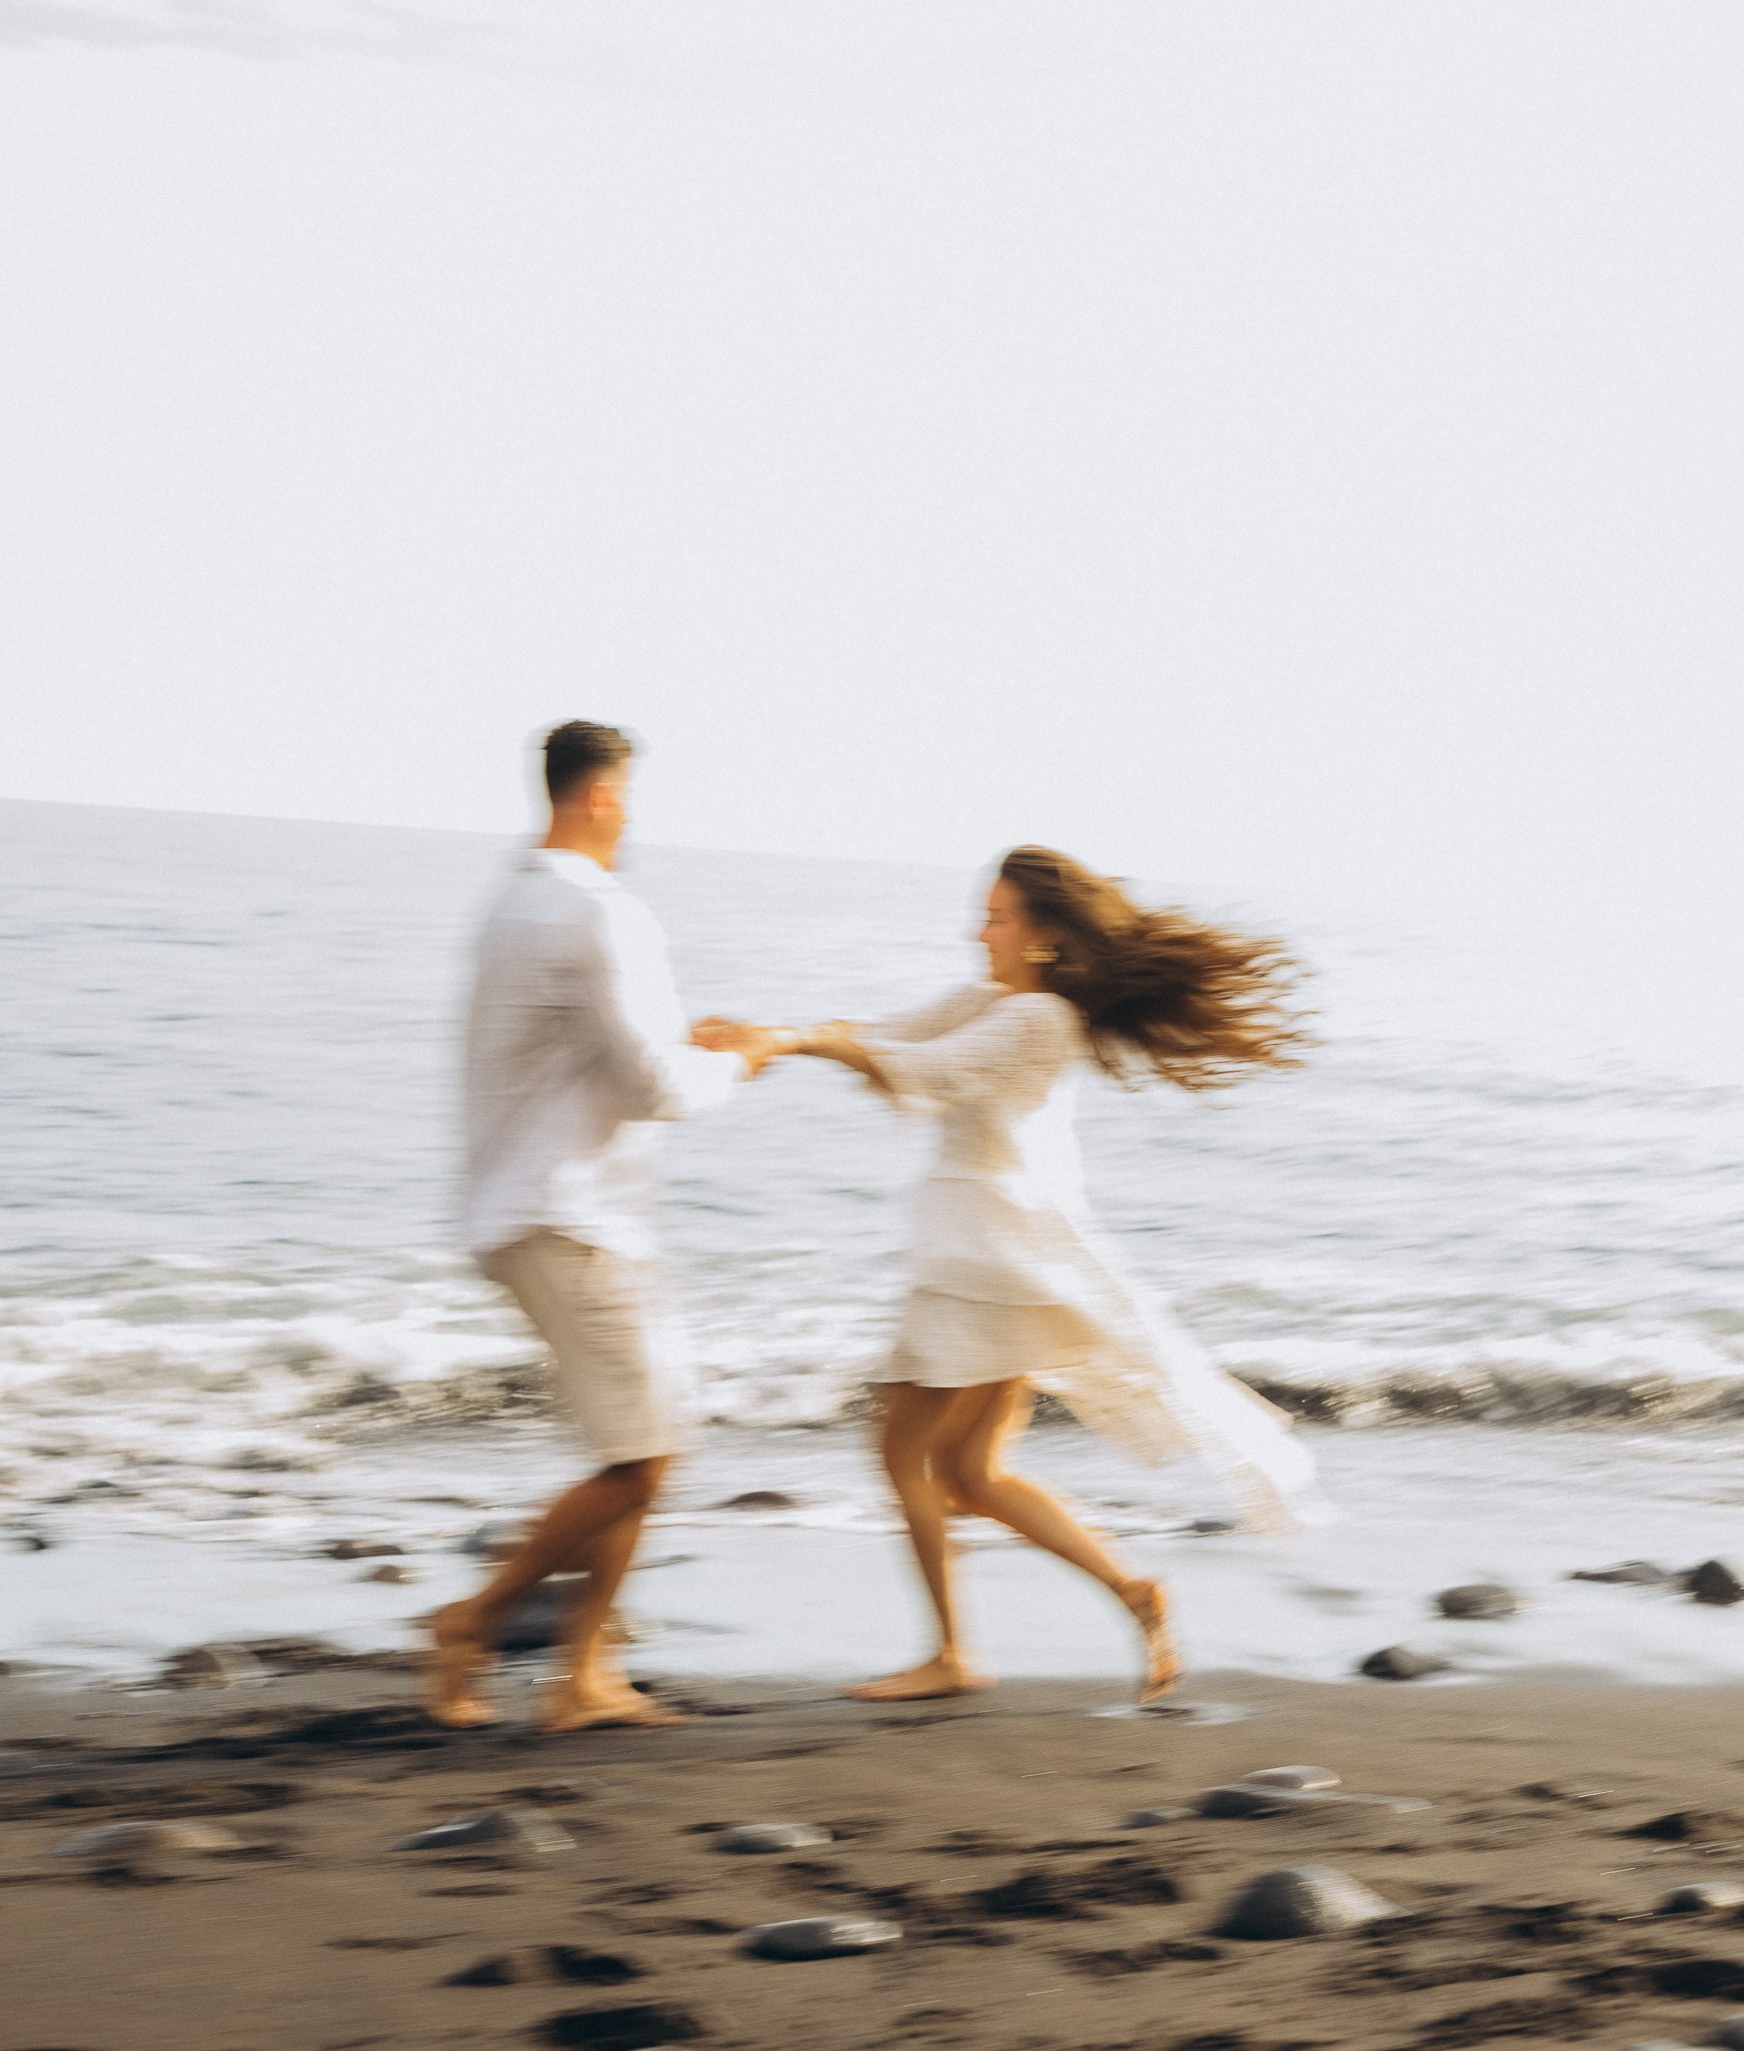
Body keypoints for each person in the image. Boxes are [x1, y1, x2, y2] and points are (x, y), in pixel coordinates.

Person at [694, 846, 1315, 1704]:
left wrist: (796, 1041)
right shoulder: (991, 1002)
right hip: (1002, 1259)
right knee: (972, 1474)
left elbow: (931, 1072)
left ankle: (951, 1654)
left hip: (979, 1266)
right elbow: (890, 1040)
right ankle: (1133, 1592)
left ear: (1045, 939)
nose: (976, 930)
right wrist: (777, 1037)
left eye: (995, 917)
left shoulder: (1039, 1023)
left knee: (900, 1458)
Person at [425, 721, 773, 1732]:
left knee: (645, 1442)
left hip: (554, 1206)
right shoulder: (593, 909)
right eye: (628, 798)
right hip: (566, 1212)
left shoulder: (515, 902)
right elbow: (653, 1085)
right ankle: (474, 1622)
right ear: (604, 796)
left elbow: (602, 1054)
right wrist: (740, 1060)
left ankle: (580, 1673)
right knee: (647, 1455)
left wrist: (687, 1046)